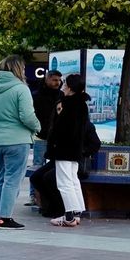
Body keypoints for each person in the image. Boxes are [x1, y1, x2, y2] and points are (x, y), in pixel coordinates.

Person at [0, 54, 40, 230]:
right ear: (18, 69)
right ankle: (5, 218)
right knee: (12, 180)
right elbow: (27, 116)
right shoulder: (21, 89)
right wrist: (37, 127)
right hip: (17, 140)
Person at [46, 73, 94, 228]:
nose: (63, 86)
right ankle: (77, 212)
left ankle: (69, 215)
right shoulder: (81, 104)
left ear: (71, 87)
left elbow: (62, 129)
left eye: (65, 84)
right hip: (75, 149)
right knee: (73, 180)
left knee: (64, 182)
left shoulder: (69, 104)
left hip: (64, 148)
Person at [30, 70, 63, 205]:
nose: (58, 83)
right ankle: (34, 196)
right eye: (55, 80)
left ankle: (50, 193)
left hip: (57, 137)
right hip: (41, 136)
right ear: (47, 79)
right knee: (37, 166)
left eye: (59, 80)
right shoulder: (36, 95)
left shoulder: (61, 95)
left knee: (56, 166)